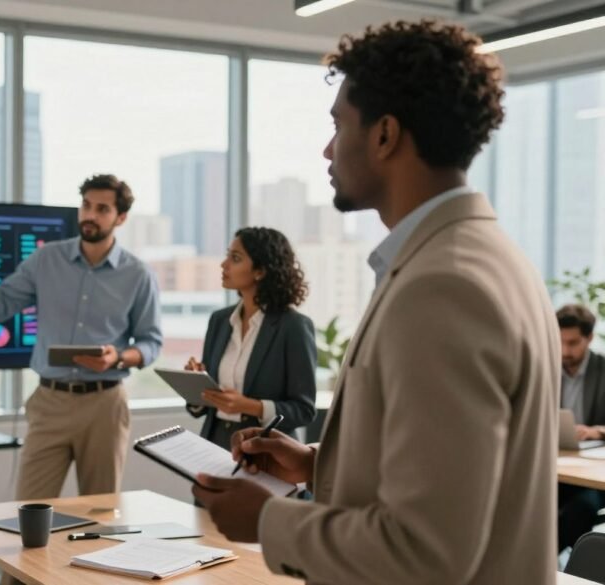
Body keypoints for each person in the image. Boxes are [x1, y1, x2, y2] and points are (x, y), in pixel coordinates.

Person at [192, 20, 559, 585]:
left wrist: (269, 520)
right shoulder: (484, 258)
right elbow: (454, 480)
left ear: (385, 135)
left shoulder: (445, 286)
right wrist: (319, 464)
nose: (328, 147)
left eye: (338, 124)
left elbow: (427, 550)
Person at [0, 174, 162, 500]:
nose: (90, 215)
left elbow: (151, 343)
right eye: (86, 205)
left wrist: (116, 357)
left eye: (102, 209)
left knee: (100, 511)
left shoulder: (137, 274)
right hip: (50, 402)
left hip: (105, 405)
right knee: (30, 509)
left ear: (121, 218)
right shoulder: (47, 259)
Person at [184, 227, 316, 449]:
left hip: (266, 449)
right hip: (215, 443)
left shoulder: (293, 326)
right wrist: (197, 386)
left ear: (260, 271)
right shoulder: (220, 320)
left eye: (235, 258)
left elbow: (304, 411)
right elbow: (203, 407)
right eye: (228, 255)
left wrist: (251, 406)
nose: (223, 264)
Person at [556, 304, 605, 551]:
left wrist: (597, 431)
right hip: (558, 464)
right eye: (560, 341)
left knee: (581, 508)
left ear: (589, 338)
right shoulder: (547, 368)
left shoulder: (603, 368)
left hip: (593, 474)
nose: (565, 350)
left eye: (573, 343)